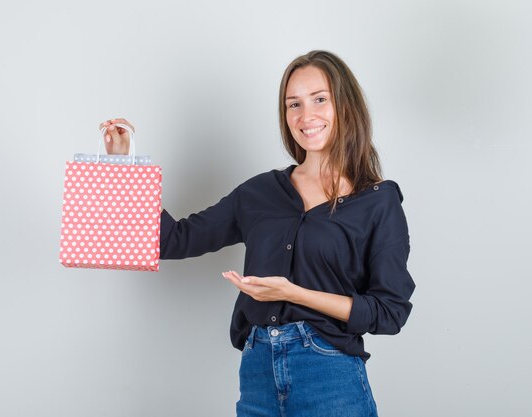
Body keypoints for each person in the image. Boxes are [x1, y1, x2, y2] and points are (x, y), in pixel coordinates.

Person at [100, 50, 415, 417]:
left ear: (345, 106)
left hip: (330, 376)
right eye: (293, 103)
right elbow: (171, 240)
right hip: (258, 375)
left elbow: (390, 312)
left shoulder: (378, 201)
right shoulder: (260, 192)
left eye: (319, 99)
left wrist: (295, 294)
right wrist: (122, 165)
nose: (305, 115)